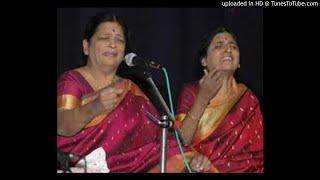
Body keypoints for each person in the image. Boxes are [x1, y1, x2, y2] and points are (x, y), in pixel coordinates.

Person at [57, 12, 164, 172]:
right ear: (86, 47)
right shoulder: (71, 80)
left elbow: (159, 139)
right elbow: (63, 125)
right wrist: (96, 106)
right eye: (104, 38)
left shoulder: (130, 90)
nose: (113, 44)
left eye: (119, 40)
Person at [149, 27, 263, 173]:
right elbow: (179, 141)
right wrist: (203, 98)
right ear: (204, 61)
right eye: (219, 45)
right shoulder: (191, 92)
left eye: (233, 46)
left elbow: (257, 156)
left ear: (239, 62)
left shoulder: (248, 99)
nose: (228, 49)